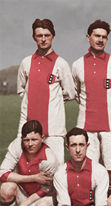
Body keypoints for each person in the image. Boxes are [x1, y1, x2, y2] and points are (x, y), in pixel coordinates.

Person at [72, 20, 111, 194]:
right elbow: (76, 93)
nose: (100, 40)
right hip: (86, 128)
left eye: (104, 37)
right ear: (88, 37)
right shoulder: (77, 65)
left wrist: (108, 102)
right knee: (88, 171)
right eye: (97, 36)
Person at [17, 19, 75, 164]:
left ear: (53, 36)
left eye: (47, 35)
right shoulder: (26, 62)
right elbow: (22, 90)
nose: (43, 39)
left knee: (56, 171)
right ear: (33, 37)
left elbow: (70, 93)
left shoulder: (61, 64)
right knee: (27, 169)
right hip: (28, 129)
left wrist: (51, 100)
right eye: (39, 35)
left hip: (54, 130)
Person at [0, 120, 58, 206]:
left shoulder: (49, 159)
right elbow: (3, 174)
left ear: (42, 138)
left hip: (41, 197)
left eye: (34, 139)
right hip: (24, 191)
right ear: (22, 139)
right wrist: (33, 178)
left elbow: (45, 190)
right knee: (5, 189)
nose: (30, 144)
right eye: (26, 140)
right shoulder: (16, 146)